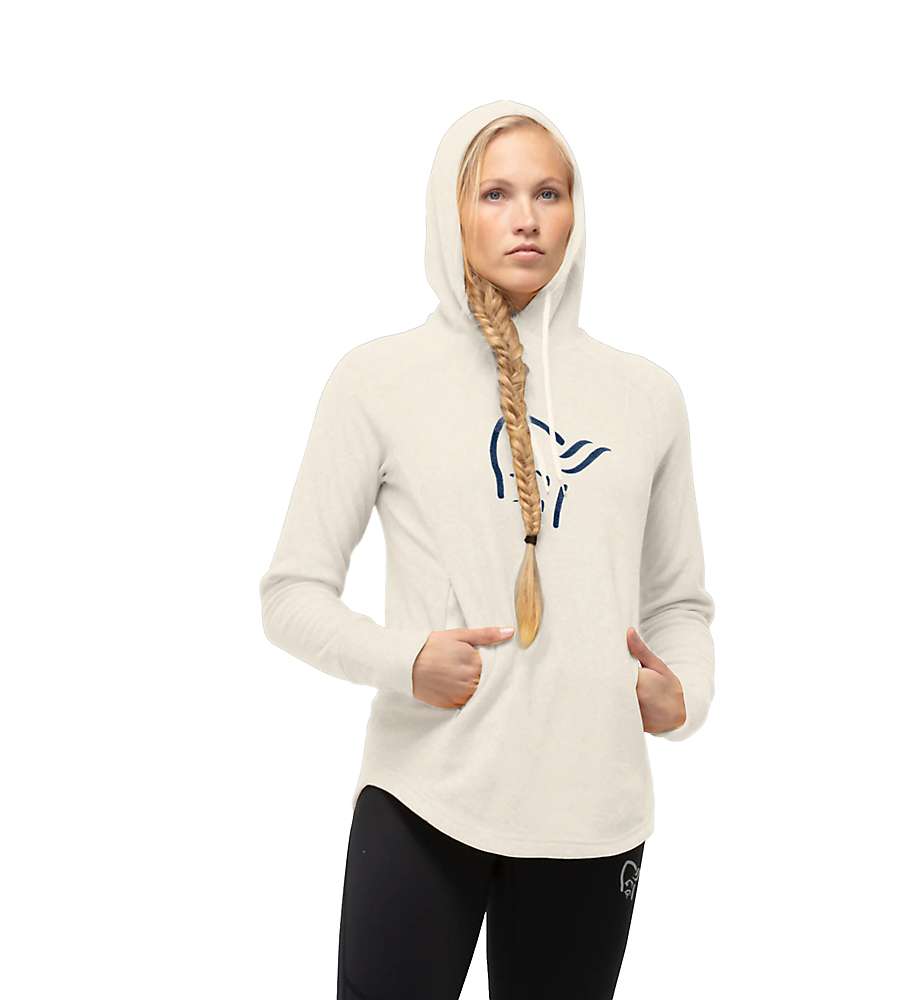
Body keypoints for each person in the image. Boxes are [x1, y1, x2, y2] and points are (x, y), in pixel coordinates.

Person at [259, 99, 716, 999]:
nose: (525, 218)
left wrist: (684, 695)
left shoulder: (647, 396)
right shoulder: (377, 379)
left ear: (575, 212)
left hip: (593, 812)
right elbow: (291, 592)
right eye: (495, 193)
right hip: (426, 794)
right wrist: (405, 660)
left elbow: (680, 603)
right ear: (451, 209)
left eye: (549, 193)